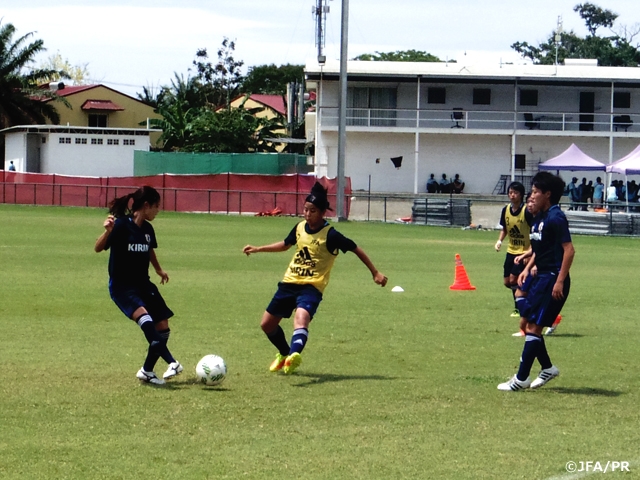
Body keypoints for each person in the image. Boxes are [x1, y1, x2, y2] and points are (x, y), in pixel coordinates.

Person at [243, 182, 388, 375]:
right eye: (305, 209)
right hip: (288, 283)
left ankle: (294, 356)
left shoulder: (332, 235)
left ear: (322, 213)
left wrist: (375, 272)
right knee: (267, 325)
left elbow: (355, 248)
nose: (307, 214)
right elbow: (286, 245)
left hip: (311, 287)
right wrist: (259, 248)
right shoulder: (300, 227)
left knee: (301, 318)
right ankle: (285, 353)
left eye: (312, 210)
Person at [94, 186, 182, 385]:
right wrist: (107, 232)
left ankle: (147, 371)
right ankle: (172, 361)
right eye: (157, 206)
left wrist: (159, 269)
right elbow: (98, 248)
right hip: (122, 287)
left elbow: (149, 249)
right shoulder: (121, 225)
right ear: (146, 205)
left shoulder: (148, 229)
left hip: (143, 284)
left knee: (163, 327)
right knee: (147, 320)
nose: (158, 210)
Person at [498, 171, 575, 391]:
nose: (531, 196)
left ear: (547, 194)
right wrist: (528, 267)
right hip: (540, 276)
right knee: (526, 324)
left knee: (532, 327)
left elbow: (569, 251)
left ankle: (521, 379)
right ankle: (548, 368)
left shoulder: (555, 217)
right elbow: (541, 250)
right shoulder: (540, 218)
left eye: (535, 192)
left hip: (552, 278)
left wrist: (560, 281)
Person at [494, 181, 534, 318]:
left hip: (523, 252)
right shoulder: (505, 210)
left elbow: (534, 231)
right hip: (511, 250)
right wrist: (499, 241)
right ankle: (526, 294)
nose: (512, 195)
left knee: (513, 280)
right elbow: (505, 228)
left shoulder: (526, 212)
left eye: (515, 193)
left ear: (521, 195)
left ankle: (519, 307)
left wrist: (530, 251)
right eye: (510, 192)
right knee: (507, 282)